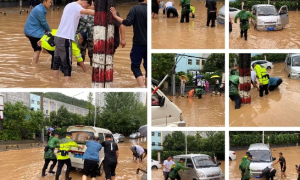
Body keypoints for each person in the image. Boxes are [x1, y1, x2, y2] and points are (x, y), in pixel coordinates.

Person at [53, 0, 94, 83]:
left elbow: (85, 12)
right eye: (86, 6)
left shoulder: (69, 5)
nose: (85, 8)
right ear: (85, 2)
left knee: (56, 61)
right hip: (65, 38)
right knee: (67, 64)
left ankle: (55, 80)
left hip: (57, 37)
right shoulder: (77, 7)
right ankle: (67, 84)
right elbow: (86, 11)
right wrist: (102, 12)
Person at [110, 0, 147, 88]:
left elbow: (127, 22)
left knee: (135, 66)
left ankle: (142, 87)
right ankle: (147, 87)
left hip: (139, 43)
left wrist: (115, 16)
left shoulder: (134, 9)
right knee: (147, 67)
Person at [24, 0, 52, 64]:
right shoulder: (40, 10)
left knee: (37, 49)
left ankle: (34, 64)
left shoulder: (39, 7)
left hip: (30, 31)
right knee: (50, 42)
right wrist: (50, 31)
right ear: (44, 2)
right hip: (34, 32)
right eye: (49, 2)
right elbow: (44, 23)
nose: (50, 4)